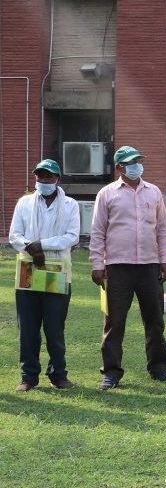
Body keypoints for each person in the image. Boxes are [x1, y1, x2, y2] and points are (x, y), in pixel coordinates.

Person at [90, 145, 166, 390]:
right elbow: (98, 232)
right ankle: (111, 372)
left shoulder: (154, 192)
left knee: (155, 320)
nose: (136, 165)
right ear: (119, 167)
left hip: (149, 266)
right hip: (117, 267)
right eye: (130, 162)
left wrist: (165, 259)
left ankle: (159, 367)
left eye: (138, 160)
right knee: (114, 321)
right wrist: (97, 264)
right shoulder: (107, 194)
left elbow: (162, 229)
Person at [9, 159, 80, 391]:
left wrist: (42, 245)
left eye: (48, 177)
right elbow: (14, 235)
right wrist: (31, 247)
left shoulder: (70, 204)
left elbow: (72, 236)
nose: (43, 181)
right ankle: (28, 376)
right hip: (28, 271)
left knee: (54, 327)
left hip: (57, 272)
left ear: (57, 178)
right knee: (27, 328)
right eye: (40, 177)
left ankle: (58, 373)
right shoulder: (24, 203)